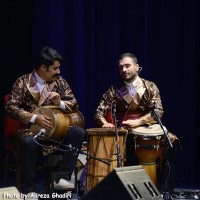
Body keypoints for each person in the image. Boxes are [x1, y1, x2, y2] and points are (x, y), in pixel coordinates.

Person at [5, 46, 85, 198]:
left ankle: (62, 177)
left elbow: (74, 104)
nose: (58, 72)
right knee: (28, 142)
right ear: (43, 67)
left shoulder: (60, 83)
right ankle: (28, 191)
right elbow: (11, 107)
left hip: (56, 133)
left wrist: (60, 102)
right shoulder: (23, 82)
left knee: (78, 132)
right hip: (30, 132)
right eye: (55, 69)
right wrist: (34, 118)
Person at [93, 53, 179, 193]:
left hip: (147, 126)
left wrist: (139, 121)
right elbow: (98, 112)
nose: (124, 70)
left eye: (127, 66)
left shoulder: (150, 86)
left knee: (172, 142)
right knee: (129, 144)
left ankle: (165, 190)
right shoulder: (114, 90)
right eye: (121, 67)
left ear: (137, 67)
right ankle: (131, 190)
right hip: (125, 130)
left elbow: (158, 111)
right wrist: (104, 124)